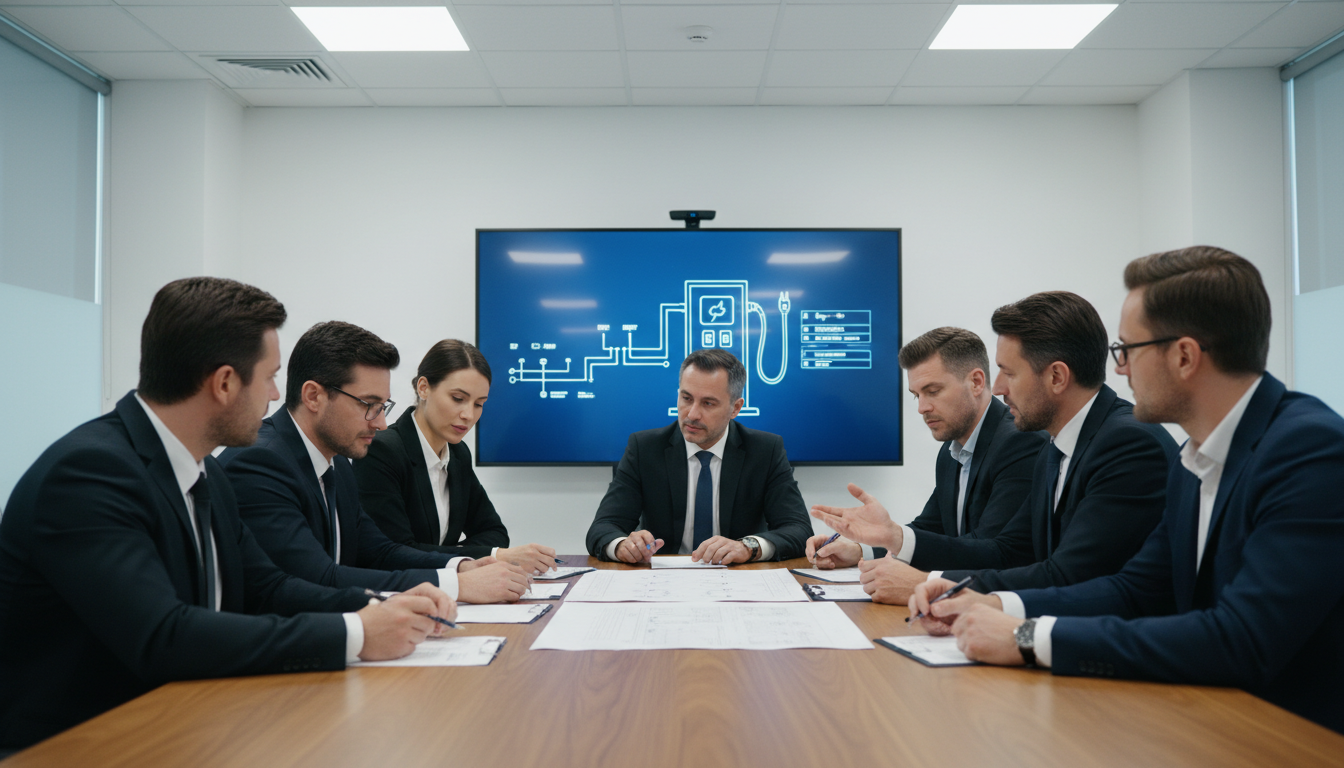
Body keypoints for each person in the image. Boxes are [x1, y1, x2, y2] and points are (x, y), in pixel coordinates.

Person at [0, 278, 453, 751]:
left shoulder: (206, 471)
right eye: (269, 377)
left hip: (186, 722)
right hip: (79, 745)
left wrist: (379, 606)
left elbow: (268, 587)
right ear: (223, 383)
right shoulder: (90, 473)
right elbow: (164, 635)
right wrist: (355, 633)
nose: (275, 395)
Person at [909, 246, 1344, 735]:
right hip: (1206, 720)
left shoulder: (1309, 450)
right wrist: (994, 603)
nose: (1118, 369)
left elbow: (1242, 638)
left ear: (1184, 356)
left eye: (1128, 350)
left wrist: (1028, 637)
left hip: (1292, 738)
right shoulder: (1194, 456)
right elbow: (1134, 589)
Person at [813, 292, 1177, 604]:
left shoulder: (1125, 445)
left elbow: (1067, 574)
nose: (999, 387)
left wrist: (932, 584)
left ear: (1056, 377)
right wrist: (874, 544)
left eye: (1009, 373)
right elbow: (1015, 550)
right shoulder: (1056, 446)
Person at [220, 322, 529, 603]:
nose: (381, 423)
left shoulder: (338, 463)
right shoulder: (260, 462)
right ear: (313, 396)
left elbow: (380, 551)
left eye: (383, 406)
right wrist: (456, 585)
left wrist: (461, 566)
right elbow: (317, 577)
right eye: (369, 405)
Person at [805, 327, 1045, 569]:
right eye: (916, 395)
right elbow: (930, 528)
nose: (922, 408)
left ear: (976, 382)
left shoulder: (1020, 442)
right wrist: (861, 549)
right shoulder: (952, 449)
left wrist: (897, 542)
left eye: (933, 392)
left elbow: (994, 552)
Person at [585, 349, 812, 564]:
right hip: (663, 578)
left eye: (708, 403)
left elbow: (799, 530)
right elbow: (603, 527)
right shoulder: (644, 448)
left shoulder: (765, 450)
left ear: (735, 408)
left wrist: (748, 547)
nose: (692, 414)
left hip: (737, 576)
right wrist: (622, 545)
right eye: (686, 398)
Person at [353, 339, 556, 575]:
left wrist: (454, 555)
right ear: (423, 388)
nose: (468, 415)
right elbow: (393, 553)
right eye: (458, 399)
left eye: (479, 404)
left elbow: (494, 531)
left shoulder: (458, 453)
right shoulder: (382, 451)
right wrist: (490, 556)